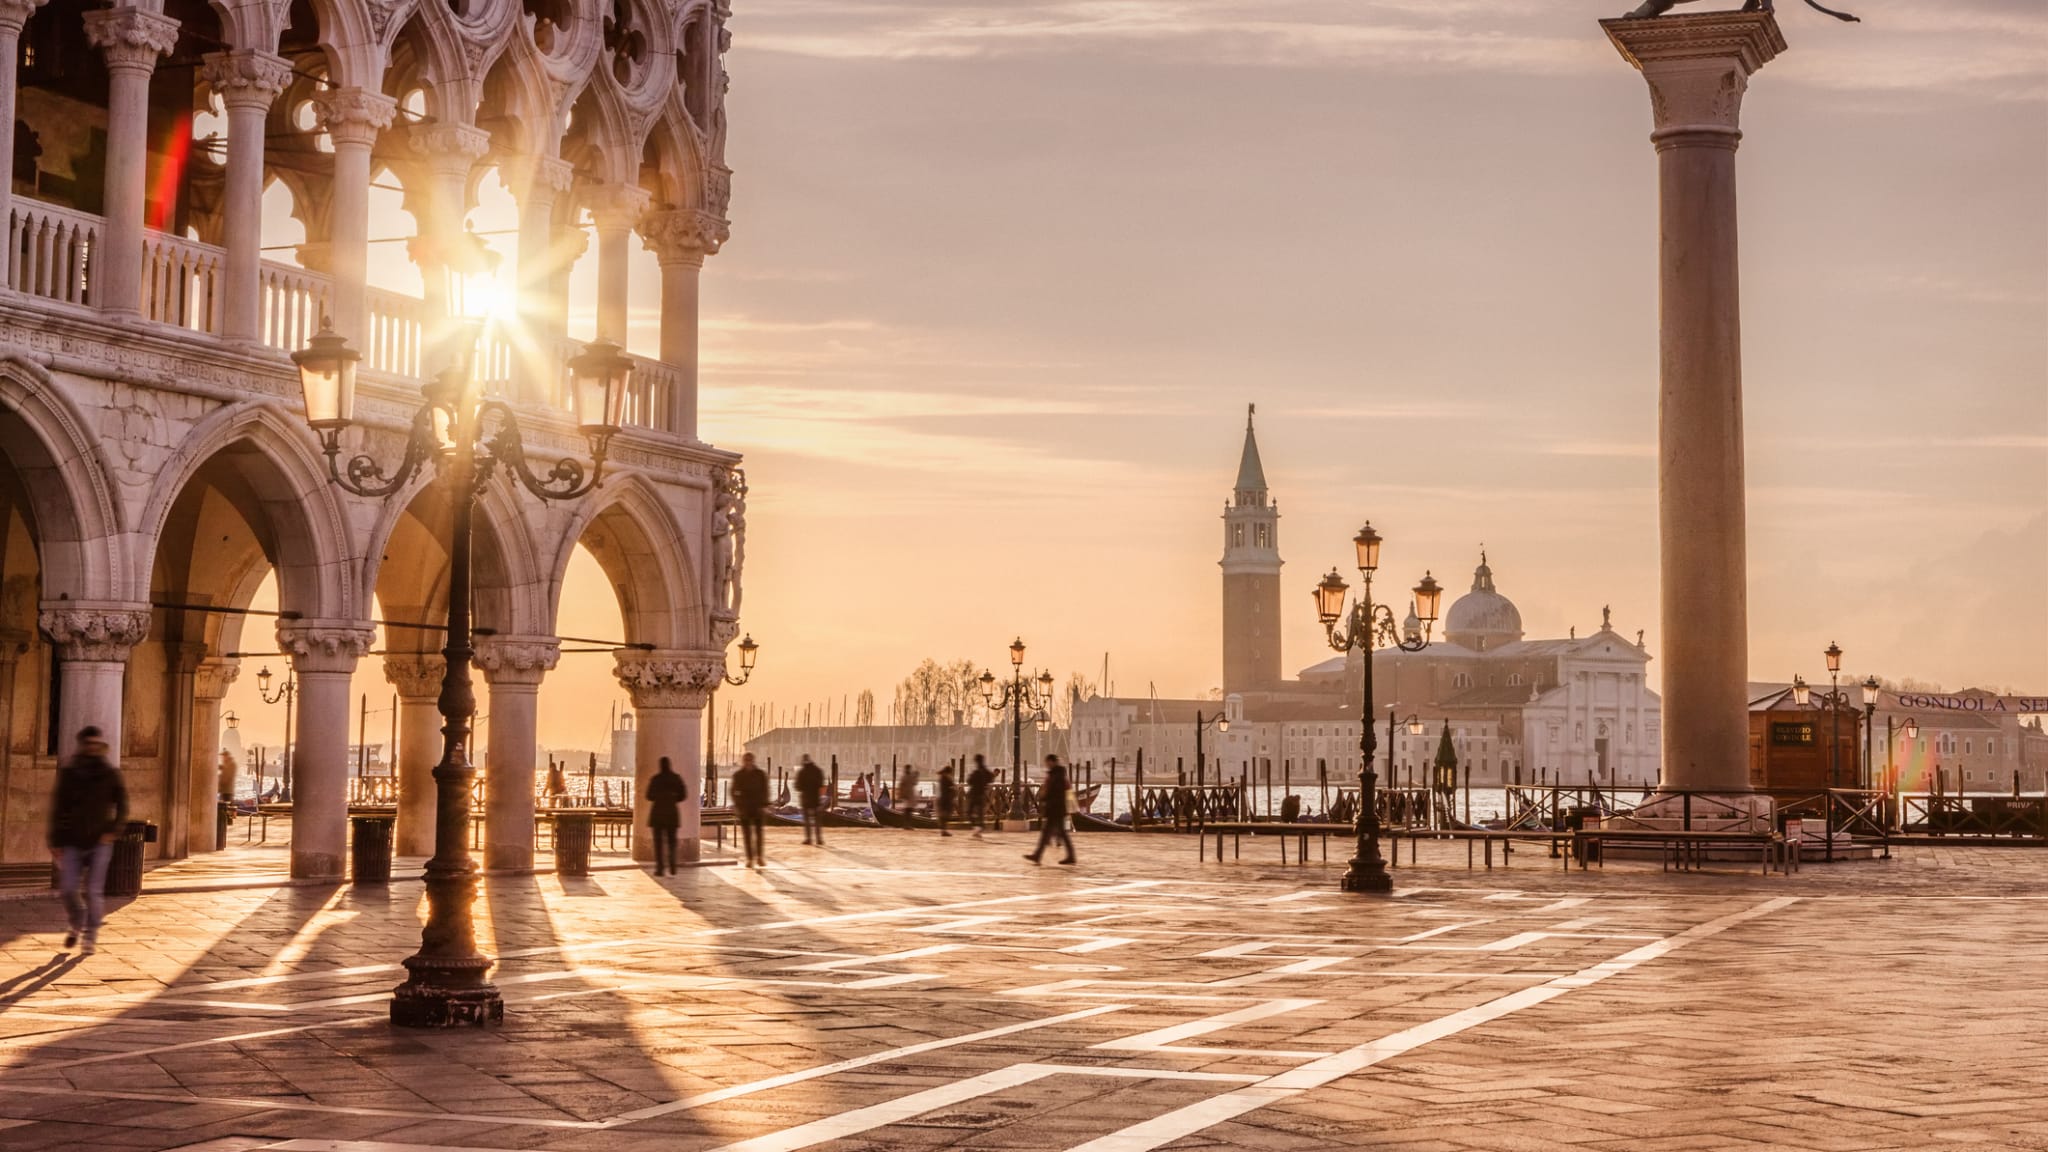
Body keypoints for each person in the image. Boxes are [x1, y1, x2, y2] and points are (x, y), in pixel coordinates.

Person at [48, 727, 126, 954]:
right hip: (73, 840)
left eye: (95, 743)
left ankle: (90, 936)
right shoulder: (70, 774)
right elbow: (58, 807)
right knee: (68, 889)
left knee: (93, 891)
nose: (92, 747)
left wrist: (114, 830)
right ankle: (77, 920)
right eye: (88, 743)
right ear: (83, 744)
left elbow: (123, 804)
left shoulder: (110, 774)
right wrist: (55, 839)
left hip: (100, 842)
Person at [1024, 754, 1075, 866]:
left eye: (1047, 762)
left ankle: (1038, 855)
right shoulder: (1058, 774)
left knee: (1051, 833)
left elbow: (1054, 791)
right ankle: (1038, 855)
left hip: (1055, 808)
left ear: (1051, 762)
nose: (1046, 764)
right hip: (1057, 808)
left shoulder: (1056, 775)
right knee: (1055, 833)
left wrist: (1045, 797)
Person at [645, 757, 687, 876]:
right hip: (672, 814)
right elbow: (683, 795)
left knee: (658, 843)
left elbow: (649, 796)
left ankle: (660, 868)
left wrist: (659, 797)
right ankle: (672, 865)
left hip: (657, 814)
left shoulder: (655, 779)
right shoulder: (676, 778)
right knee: (672, 842)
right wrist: (673, 799)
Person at [731, 752, 770, 868]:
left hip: (758, 808)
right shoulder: (738, 775)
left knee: (759, 834)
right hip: (744, 809)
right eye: (746, 760)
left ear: (753, 761)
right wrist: (738, 805)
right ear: (744, 761)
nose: (748, 762)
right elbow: (733, 791)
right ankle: (750, 858)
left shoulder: (760, 774)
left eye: (750, 760)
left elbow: (765, 790)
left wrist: (764, 805)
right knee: (747, 835)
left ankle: (759, 857)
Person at [795, 755, 826, 846]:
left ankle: (808, 839)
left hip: (805, 799)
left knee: (807, 821)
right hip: (816, 798)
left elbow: (798, 786)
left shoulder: (801, 772)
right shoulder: (817, 770)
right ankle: (819, 839)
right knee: (817, 821)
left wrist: (803, 787)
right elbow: (821, 784)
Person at [966, 754, 994, 838]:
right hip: (981, 794)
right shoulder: (985, 771)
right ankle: (978, 828)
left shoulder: (976, 772)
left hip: (974, 794)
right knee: (980, 813)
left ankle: (976, 828)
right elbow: (991, 778)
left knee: (969, 812)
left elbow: (969, 781)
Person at [936, 765, 957, 838]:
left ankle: (943, 830)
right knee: (946, 815)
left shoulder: (942, 778)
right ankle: (943, 830)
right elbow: (953, 788)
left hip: (941, 798)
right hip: (946, 799)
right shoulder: (947, 778)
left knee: (943, 815)